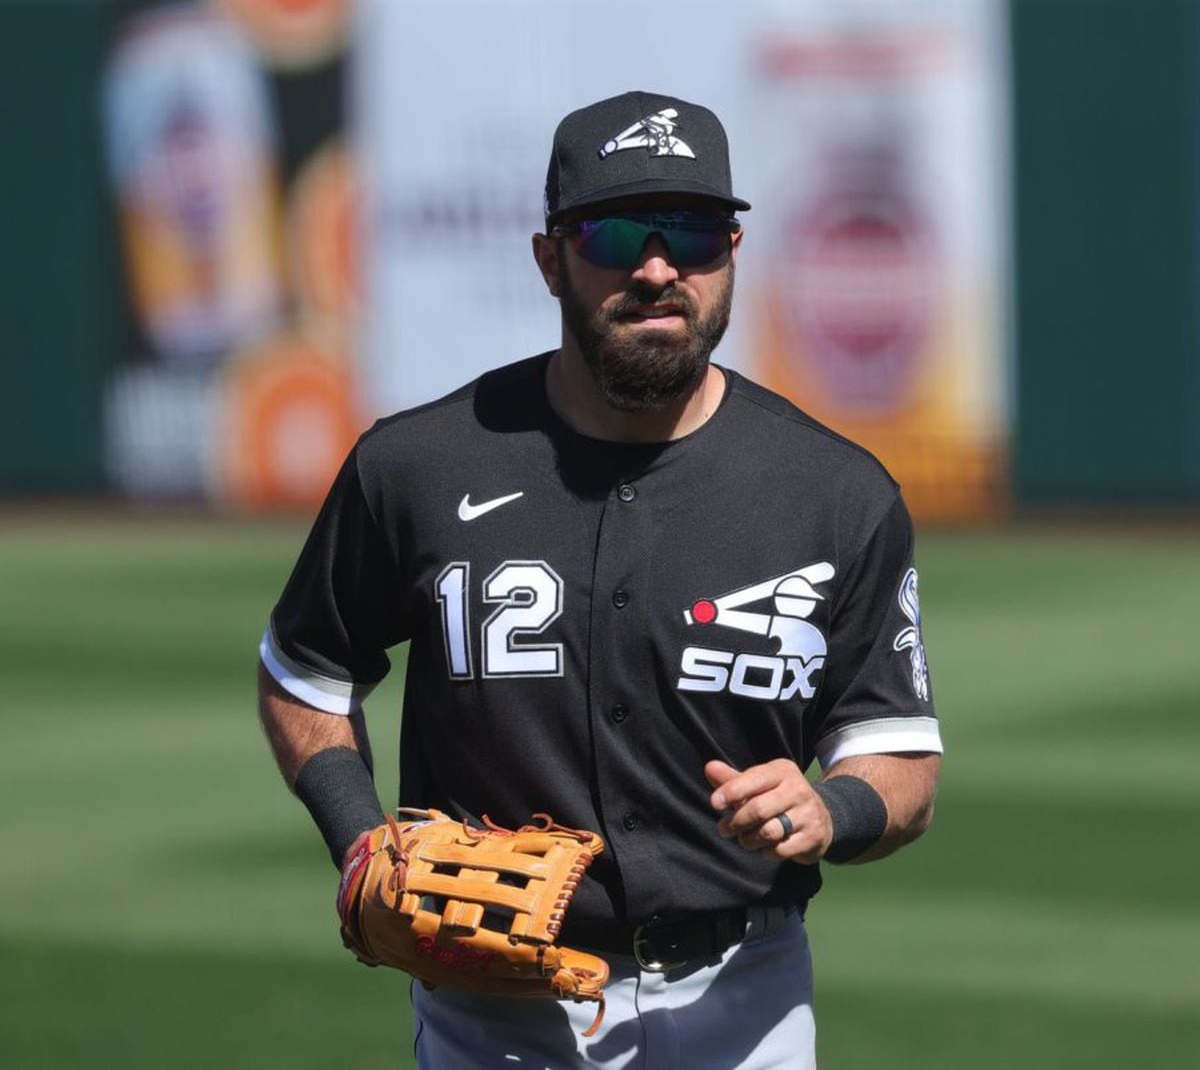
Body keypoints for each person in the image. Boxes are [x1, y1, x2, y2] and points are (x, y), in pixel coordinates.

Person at [258, 89, 943, 1069]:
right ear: (550, 258)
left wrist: (833, 808)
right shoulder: (420, 466)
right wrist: (358, 838)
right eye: (617, 235)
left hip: (744, 1002)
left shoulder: (834, 495)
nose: (659, 268)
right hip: (499, 1012)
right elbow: (304, 669)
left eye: (696, 233)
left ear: (733, 256)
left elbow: (902, 761)